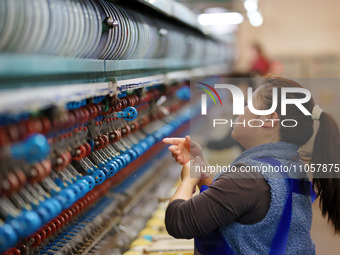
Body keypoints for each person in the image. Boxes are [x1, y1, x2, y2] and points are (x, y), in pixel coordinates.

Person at [162, 76, 340, 254]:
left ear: (269, 118)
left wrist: (188, 180)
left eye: (249, 104)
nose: (241, 108)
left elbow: (179, 221)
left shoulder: (249, 177)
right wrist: (201, 167)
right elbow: (235, 202)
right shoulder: (288, 167)